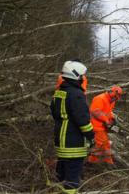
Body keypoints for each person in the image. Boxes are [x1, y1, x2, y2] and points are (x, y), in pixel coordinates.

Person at [50, 60, 94, 194]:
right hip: (73, 143)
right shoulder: (76, 95)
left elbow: (53, 111)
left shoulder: (59, 92)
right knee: (72, 179)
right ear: (76, 75)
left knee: (61, 174)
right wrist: (91, 136)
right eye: (82, 76)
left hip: (60, 141)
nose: (84, 78)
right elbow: (83, 121)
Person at [88, 85, 123, 165]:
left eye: (117, 97)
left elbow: (108, 112)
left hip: (102, 126)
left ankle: (93, 161)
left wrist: (113, 118)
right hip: (96, 125)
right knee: (103, 144)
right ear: (111, 92)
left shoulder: (112, 101)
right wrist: (107, 121)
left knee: (101, 144)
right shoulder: (100, 98)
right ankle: (107, 163)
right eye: (115, 96)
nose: (115, 98)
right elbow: (96, 111)